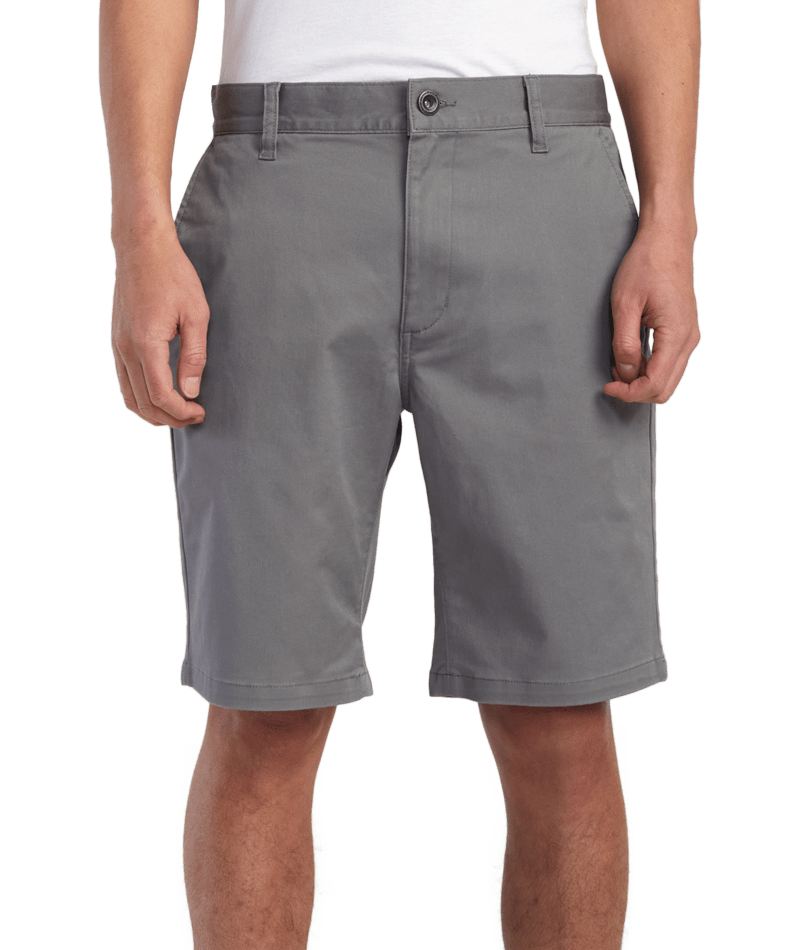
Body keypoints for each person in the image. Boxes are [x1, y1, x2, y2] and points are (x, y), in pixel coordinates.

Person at [98, 0, 701, 946]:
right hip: (280, 175)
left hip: (544, 172)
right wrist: (140, 235)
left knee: (560, 703)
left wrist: (671, 222)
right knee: (264, 701)